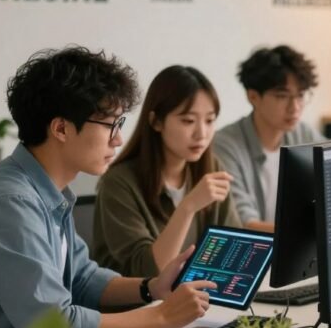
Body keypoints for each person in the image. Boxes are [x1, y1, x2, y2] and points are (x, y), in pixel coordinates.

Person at [0, 47, 215, 328]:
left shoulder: (46, 191)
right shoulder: (10, 204)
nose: (118, 139)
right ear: (60, 129)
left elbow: (83, 279)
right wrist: (163, 315)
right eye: (110, 124)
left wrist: (150, 287)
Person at [92, 65, 241, 277]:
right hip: (137, 306)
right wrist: (188, 206)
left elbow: (234, 249)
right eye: (188, 121)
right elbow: (151, 272)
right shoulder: (119, 182)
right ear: (156, 121)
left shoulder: (210, 168)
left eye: (209, 120)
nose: (202, 133)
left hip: (196, 300)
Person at [214, 45, 323, 231]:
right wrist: (310, 233)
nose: (295, 107)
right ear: (253, 97)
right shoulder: (225, 145)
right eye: (282, 96)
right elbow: (244, 223)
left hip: (297, 252)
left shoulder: (303, 133)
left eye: (300, 96)